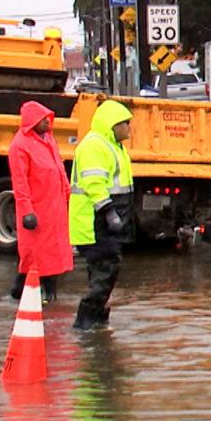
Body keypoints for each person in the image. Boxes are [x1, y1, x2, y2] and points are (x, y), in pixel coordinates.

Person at [69, 100, 136, 331]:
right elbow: (93, 182)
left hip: (102, 222)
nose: (129, 128)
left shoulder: (114, 147)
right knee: (107, 266)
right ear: (112, 124)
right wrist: (108, 212)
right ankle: (87, 317)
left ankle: (94, 317)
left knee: (102, 269)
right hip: (93, 222)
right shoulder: (94, 146)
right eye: (125, 123)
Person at [8, 100, 73, 303]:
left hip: (53, 207)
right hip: (38, 208)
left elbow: (59, 170)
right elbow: (20, 182)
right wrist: (27, 211)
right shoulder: (20, 146)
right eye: (42, 119)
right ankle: (37, 291)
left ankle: (40, 291)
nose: (47, 122)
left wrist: (66, 195)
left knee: (50, 254)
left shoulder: (48, 140)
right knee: (36, 255)